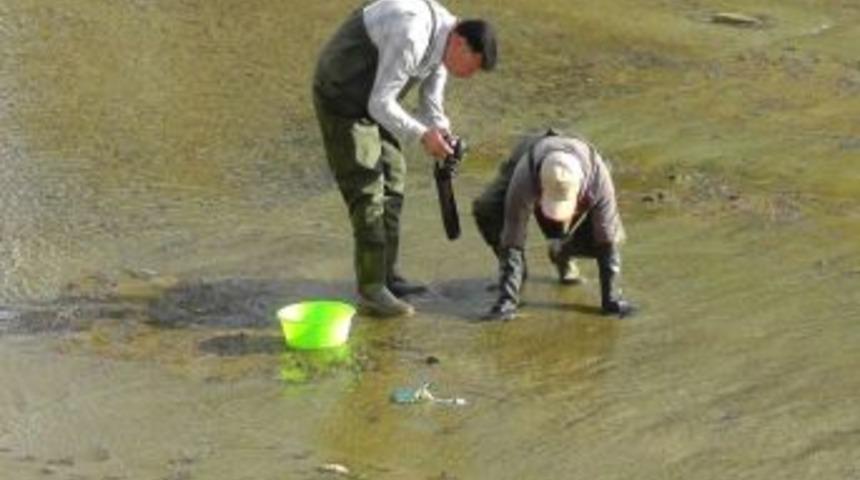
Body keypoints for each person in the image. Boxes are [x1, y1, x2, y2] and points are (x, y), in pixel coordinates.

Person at [312, 0, 497, 318]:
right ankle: (371, 290)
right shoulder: (412, 33)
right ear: (460, 43)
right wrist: (423, 136)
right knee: (368, 190)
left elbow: (430, 101)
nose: (470, 75)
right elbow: (381, 102)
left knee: (395, 178)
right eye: (473, 66)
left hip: (374, 100)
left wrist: (442, 133)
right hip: (341, 96)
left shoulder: (445, 38)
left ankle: (388, 276)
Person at [472, 129, 636, 321]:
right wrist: (506, 302)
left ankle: (564, 251)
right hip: (531, 155)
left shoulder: (598, 178)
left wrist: (612, 300)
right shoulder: (525, 176)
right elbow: (513, 235)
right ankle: (518, 274)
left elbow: (608, 240)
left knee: (605, 236)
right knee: (486, 208)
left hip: (580, 159)